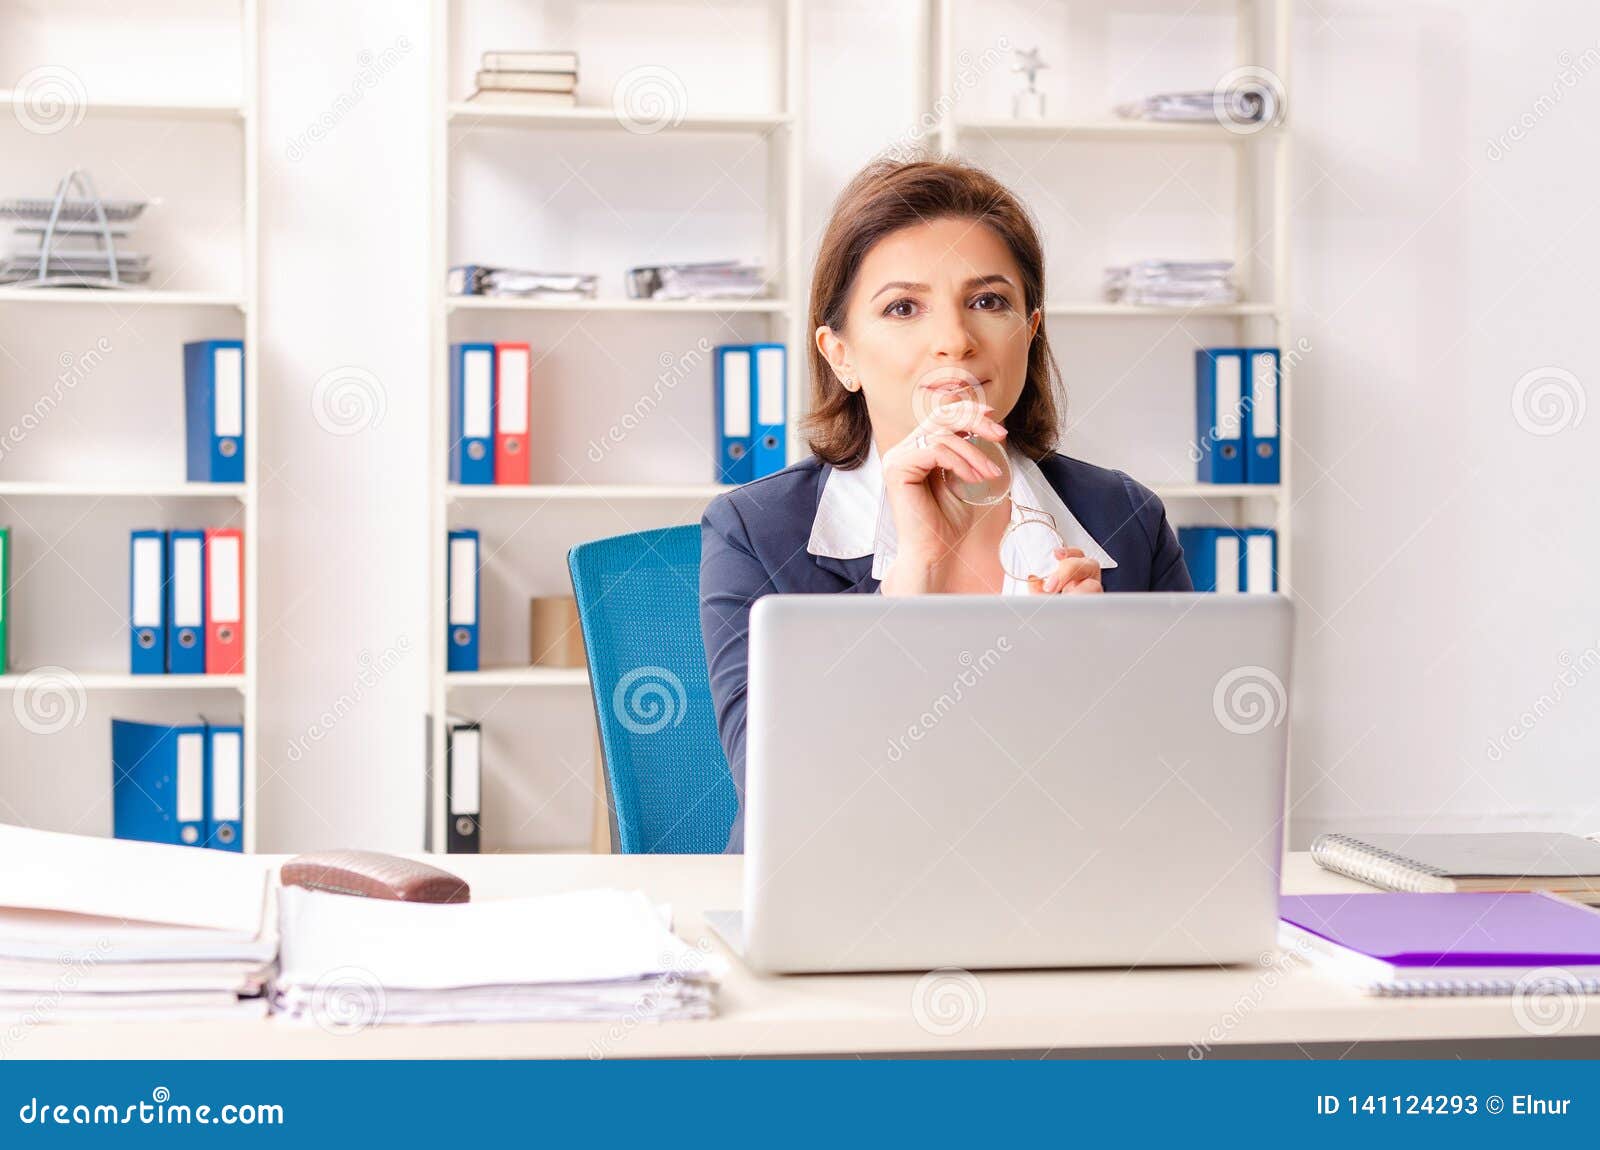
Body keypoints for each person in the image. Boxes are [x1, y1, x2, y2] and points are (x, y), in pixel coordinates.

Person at [700, 157, 1193, 852]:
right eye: (903, 307)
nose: (955, 339)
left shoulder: (1126, 518)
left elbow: (1189, 792)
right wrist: (916, 573)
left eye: (989, 301)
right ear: (841, 354)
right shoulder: (756, 531)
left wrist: (1094, 678)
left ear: (1030, 330)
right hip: (843, 911)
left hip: (1071, 906)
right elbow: (788, 794)